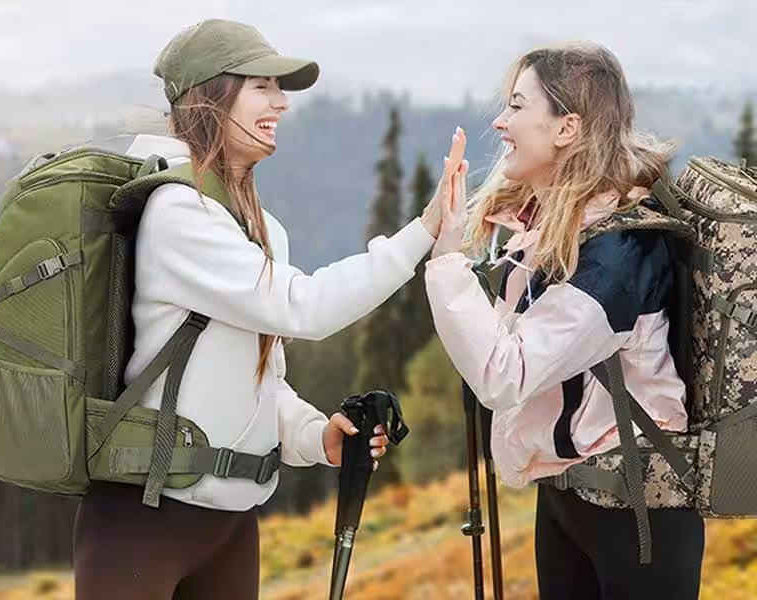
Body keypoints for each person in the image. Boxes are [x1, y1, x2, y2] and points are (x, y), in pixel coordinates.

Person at [72, 18, 467, 600]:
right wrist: (424, 230)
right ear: (211, 96)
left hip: (232, 524)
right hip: (144, 518)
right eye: (263, 87)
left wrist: (316, 437)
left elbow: (261, 380)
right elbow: (302, 308)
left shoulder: (256, 227)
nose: (282, 103)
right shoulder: (179, 216)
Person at [425, 43, 704, 599]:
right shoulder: (555, 230)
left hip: (637, 512)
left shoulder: (618, 250)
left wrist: (447, 259)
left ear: (566, 127)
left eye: (517, 106)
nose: (501, 122)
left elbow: (506, 372)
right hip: (569, 493)